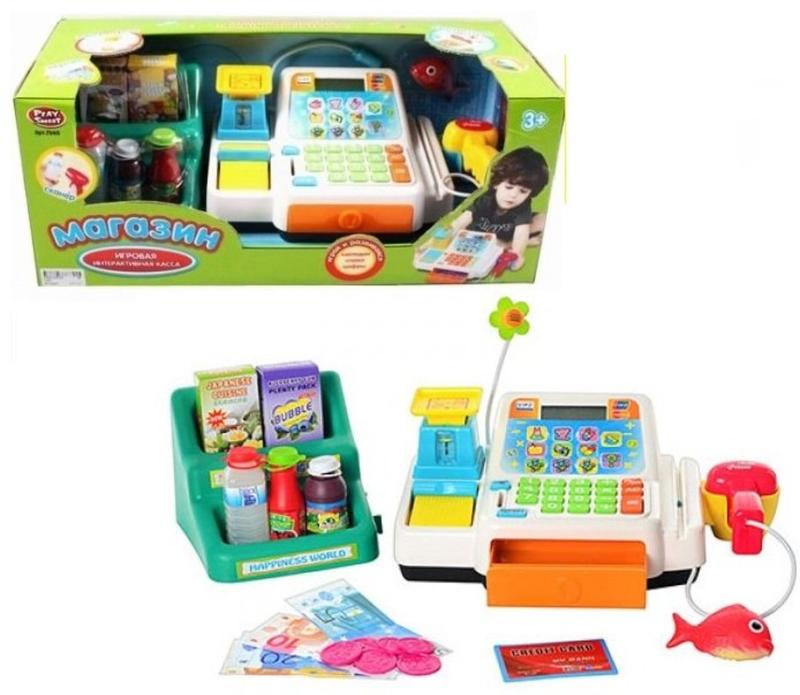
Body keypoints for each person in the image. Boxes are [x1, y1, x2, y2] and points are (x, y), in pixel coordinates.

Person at [423, 147, 550, 270]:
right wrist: (432, 243)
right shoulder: (486, 200)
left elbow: (521, 232)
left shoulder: (523, 206)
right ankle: (507, 245)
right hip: (477, 235)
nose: (513, 195)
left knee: (543, 219)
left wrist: (517, 254)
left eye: (523, 191)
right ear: (497, 183)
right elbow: (460, 222)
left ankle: (507, 244)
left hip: (506, 235)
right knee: (454, 232)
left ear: (531, 193)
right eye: (509, 187)